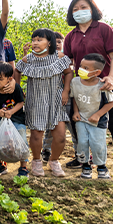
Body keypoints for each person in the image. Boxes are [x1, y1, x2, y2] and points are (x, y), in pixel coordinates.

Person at [63, 0, 113, 179]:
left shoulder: (104, 29)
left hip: (105, 86)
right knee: (80, 123)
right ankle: (84, 160)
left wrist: (111, 76)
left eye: (83, 7)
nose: (79, 11)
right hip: (81, 88)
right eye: (75, 9)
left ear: (92, 9)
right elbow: (68, 63)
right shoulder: (71, 36)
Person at [14, 28, 73, 177]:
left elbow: (68, 72)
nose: (35, 42)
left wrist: (66, 91)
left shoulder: (59, 57)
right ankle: (36, 161)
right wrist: (18, 89)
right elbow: (17, 70)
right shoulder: (29, 59)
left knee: (60, 136)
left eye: (39, 40)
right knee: (36, 134)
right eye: (34, 40)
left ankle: (53, 161)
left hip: (56, 100)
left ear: (49, 42)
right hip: (36, 100)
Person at [70, 53, 113, 180]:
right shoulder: (75, 82)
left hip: (97, 122)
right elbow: (74, 98)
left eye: (86, 68)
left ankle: (101, 167)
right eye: (81, 66)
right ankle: (85, 167)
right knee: (82, 143)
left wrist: (98, 115)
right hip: (81, 119)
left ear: (97, 72)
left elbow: (111, 102)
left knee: (97, 144)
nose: (81, 70)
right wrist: (75, 112)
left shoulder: (102, 85)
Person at [40, 32, 79, 166]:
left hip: (67, 97)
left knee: (73, 126)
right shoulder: (45, 58)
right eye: (53, 42)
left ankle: (80, 154)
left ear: (63, 44)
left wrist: (66, 92)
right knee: (51, 126)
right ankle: (46, 150)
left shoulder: (66, 59)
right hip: (51, 97)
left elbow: (70, 74)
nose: (56, 44)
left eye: (59, 42)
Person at [0, 63, 29, 177]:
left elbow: (21, 103)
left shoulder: (15, 88)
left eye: (0, 79)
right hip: (0, 119)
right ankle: (1, 164)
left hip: (17, 119)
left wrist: (11, 112)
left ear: (9, 79)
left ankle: (23, 167)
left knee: (21, 139)